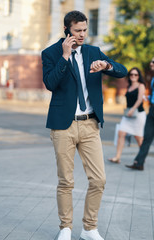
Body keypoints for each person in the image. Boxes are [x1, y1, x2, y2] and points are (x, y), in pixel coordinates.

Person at [41, 10, 127, 240]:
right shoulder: (50, 53)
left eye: (85, 30)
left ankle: (89, 228)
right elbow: (50, 83)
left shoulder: (93, 52)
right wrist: (65, 56)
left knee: (99, 179)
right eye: (77, 30)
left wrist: (106, 66)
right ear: (67, 30)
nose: (82, 34)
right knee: (66, 180)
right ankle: (65, 228)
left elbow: (122, 70)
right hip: (63, 126)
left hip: (89, 125)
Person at [108, 67, 146, 163]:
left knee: (138, 137)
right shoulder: (129, 86)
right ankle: (117, 157)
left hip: (138, 114)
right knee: (121, 133)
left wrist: (133, 109)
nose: (133, 76)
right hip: (128, 115)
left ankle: (142, 158)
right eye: (131, 74)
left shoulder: (141, 85)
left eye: (135, 74)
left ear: (138, 76)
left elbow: (140, 99)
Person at [126, 58, 154, 171]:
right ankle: (139, 163)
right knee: (146, 137)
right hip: (152, 110)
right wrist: (148, 98)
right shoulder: (153, 78)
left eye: (153, 62)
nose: (151, 63)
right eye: (151, 61)